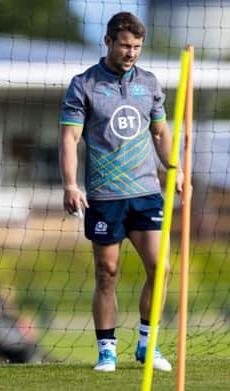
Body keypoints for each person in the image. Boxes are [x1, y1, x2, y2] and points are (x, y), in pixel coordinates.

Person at [59, 11, 182, 372]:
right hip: (105, 196)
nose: (132, 53)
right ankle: (107, 351)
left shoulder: (149, 83)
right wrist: (70, 184)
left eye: (138, 47)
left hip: (145, 194)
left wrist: (174, 169)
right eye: (126, 46)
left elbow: (160, 133)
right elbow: (70, 137)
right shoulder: (83, 84)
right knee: (106, 272)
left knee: (161, 268)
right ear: (109, 41)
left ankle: (148, 344)